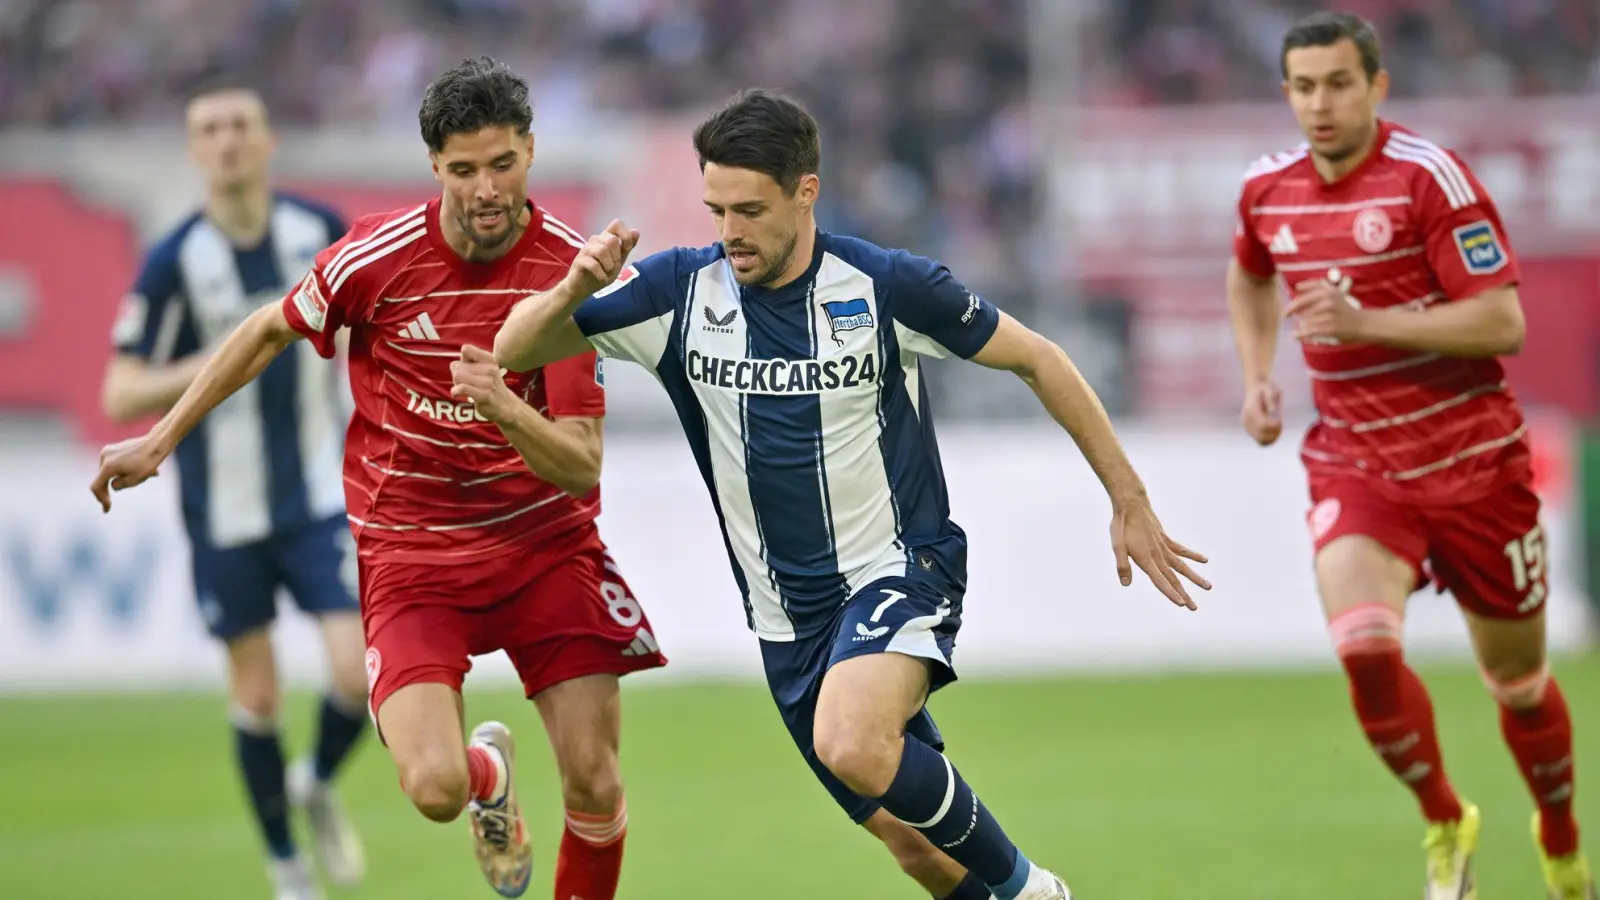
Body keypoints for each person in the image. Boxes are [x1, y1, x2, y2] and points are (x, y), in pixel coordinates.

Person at [494, 87, 1210, 900]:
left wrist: (1127, 496)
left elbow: (1038, 357)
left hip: (900, 568)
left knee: (853, 741)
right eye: (716, 209)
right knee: (918, 852)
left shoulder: (885, 286)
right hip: (785, 622)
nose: (730, 232)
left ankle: (1032, 891)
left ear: (806, 192)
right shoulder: (676, 294)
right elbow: (514, 348)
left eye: (751, 210)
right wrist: (573, 288)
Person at [91, 58, 666, 900]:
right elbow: (267, 329)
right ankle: (487, 777)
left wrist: (504, 408)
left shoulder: (568, 274)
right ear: (434, 165)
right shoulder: (377, 256)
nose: (486, 189)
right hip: (412, 554)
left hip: (545, 546)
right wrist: (162, 438)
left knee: (596, 781)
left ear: (531, 151)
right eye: (463, 169)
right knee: (434, 788)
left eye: (502, 163)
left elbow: (580, 465)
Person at [1226, 12, 1594, 900]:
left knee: (1517, 682)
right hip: (1358, 463)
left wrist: (1367, 322)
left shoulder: (1430, 180)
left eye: (1338, 84)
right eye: (1304, 87)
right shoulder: (1266, 189)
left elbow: (1503, 321)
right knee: (1363, 647)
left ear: (1376, 86)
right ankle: (1444, 819)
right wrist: (1257, 377)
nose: (1321, 103)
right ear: (1287, 93)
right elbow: (1250, 272)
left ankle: (1558, 831)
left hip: (1476, 464)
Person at [99, 77, 368, 900]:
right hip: (224, 508)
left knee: (358, 676)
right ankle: (287, 868)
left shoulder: (318, 231)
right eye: (209, 129)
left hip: (320, 494)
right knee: (255, 691)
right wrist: (228, 353)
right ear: (194, 150)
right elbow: (120, 390)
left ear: (267, 140)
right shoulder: (174, 261)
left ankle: (314, 781)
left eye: (240, 124)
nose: (226, 140)